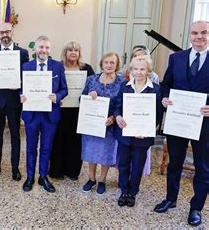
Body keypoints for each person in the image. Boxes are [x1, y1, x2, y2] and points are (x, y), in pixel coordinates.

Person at [154, 20, 209, 227]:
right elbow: (166, 84)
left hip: (204, 125)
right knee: (174, 162)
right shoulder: (176, 58)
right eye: (195, 33)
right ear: (189, 35)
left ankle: (196, 207)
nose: (199, 37)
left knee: (203, 167)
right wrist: (165, 99)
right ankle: (171, 198)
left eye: (204, 33)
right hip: (178, 122)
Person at [20, 35, 68, 193]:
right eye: (41, 47)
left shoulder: (57, 66)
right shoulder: (26, 66)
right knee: (31, 147)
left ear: (50, 49)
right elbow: (20, 87)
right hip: (31, 114)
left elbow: (64, 89)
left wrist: (58, 96)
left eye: (47, 47)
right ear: (35, 49)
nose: (44, 50)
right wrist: (21, 95)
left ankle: (43, 176)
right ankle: (30, 177)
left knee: (46, 147)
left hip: (50, 115)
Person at [113, 55, 162, 207]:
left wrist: (149, 129)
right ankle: (124, 190)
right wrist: (118, 116)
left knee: (138, 165)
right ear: (131, 70)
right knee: (123, 164)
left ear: (148, 70)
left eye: (142, 69)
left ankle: (133, 192)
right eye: (136, 69)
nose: (139, 72)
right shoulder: (124, 86)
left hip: (143, 136)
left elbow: (158, 114)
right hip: (125, 133)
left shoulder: (156, 89)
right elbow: (117, 106)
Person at [0, 22, 29, 181]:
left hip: (14, 102)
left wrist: (20, 86)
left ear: (12, 33)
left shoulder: (23, 53)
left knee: (15, 136)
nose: (5, 35)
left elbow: (27, 77)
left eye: (7, 32)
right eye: (1, 32)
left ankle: (15, 168)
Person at [49, 41, 94, 180]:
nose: (73, 52)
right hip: (60, 109)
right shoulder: (58, 67)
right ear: (65, 52)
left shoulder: (86, 68)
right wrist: (56, 96)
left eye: (76, 50)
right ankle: (57, 171)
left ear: (79, 53)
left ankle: (72, 171)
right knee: (58, 140)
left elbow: (92, 86)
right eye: (70, 50)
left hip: (79, 111)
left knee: (75, 142)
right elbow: (52, 84)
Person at [80, 52, 124, 195]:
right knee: (91, 151)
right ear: (102, 63)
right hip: (91, 123)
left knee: (106, 153)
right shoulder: (91, 79)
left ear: (117, 65)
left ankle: (102, 180)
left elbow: (122, 104)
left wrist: (113, 117)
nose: (109, 65)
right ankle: (91, 178)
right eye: (106, 62)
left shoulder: (121, 82)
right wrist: (88, 96)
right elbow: (81, 100)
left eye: (112, 62)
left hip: (109, 125)